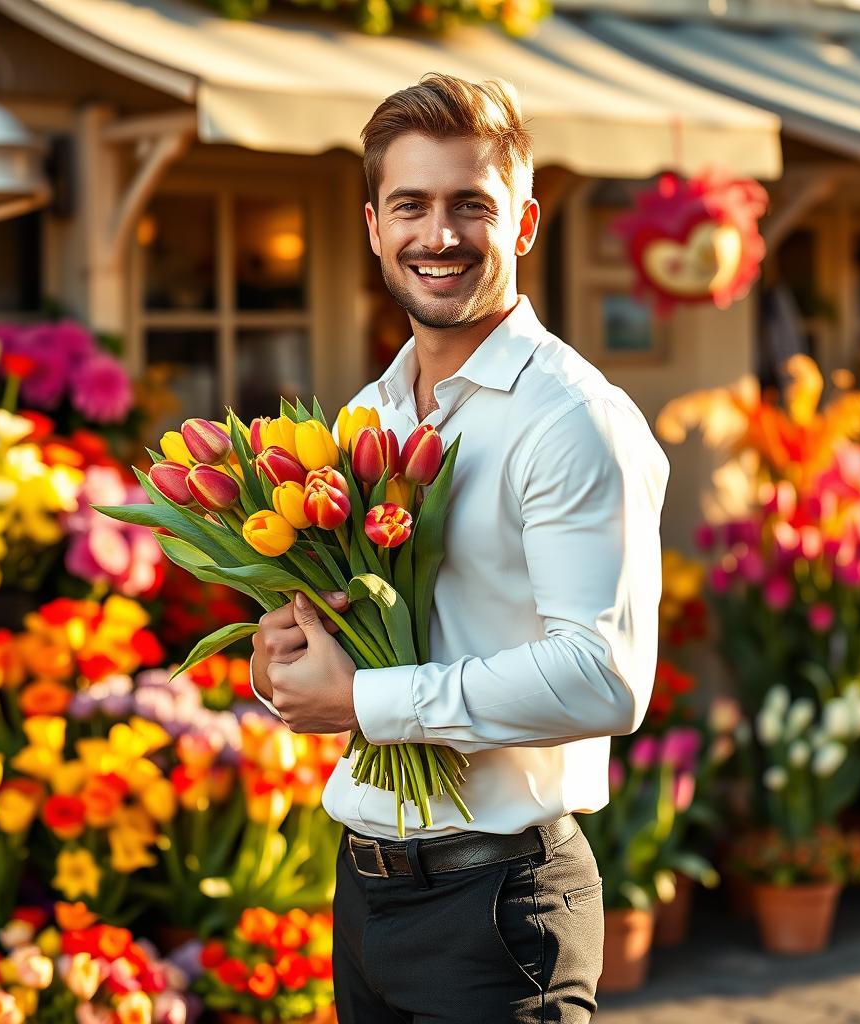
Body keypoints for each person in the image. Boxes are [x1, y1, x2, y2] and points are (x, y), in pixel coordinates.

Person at [250, 72, 669, 1023]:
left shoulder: (574, 422)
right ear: (373, 227)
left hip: (500, 911)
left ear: (521, 225)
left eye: (469, 205)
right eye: (412, 206)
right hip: (364, 894)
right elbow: (350, 633)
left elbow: (603, 678)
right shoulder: (367, 416)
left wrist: (362, 699)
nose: (438, 236)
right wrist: (284, 658)